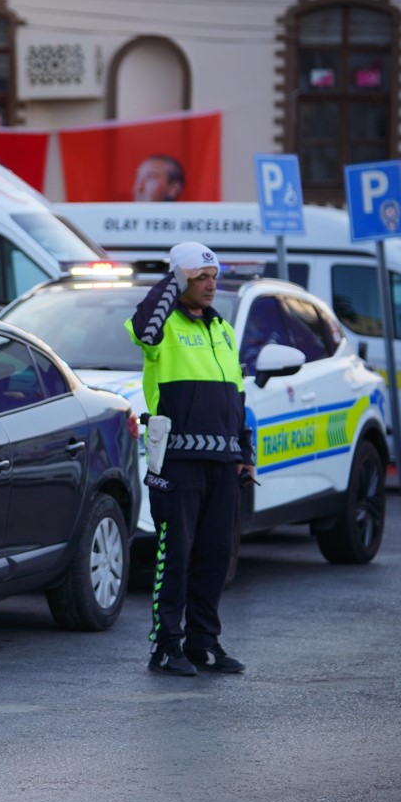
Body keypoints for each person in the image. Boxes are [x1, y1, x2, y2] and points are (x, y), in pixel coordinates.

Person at [126, 241, 254, 677]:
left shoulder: (223, 329)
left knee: (215, 555)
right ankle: (166, 647)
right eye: (200, 277)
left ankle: (204, 644)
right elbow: (143, 328)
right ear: (179, 279)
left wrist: (245, 452)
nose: (210, 285)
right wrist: (172, 281)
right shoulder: (161, 328)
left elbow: (236, 396)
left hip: (222, 462)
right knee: (175, 555)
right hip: (177, 461)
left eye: (214, 276)